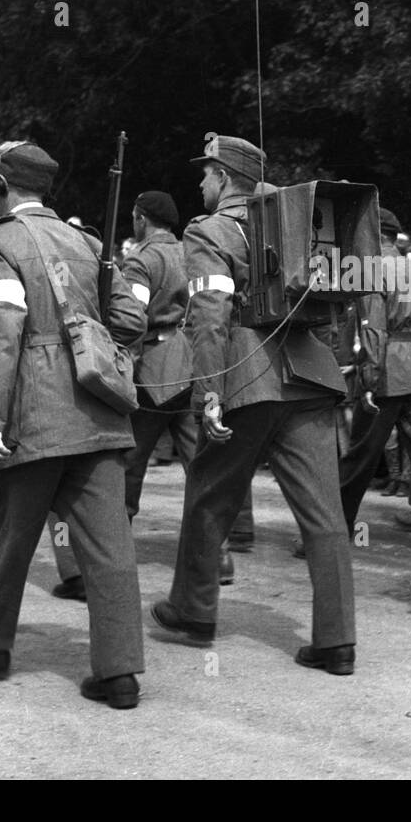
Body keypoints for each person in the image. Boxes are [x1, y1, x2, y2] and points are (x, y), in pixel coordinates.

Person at [0, 141, 149, 710]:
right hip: (99, 413)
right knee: (110, 546)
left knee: (3, 534)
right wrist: (90, 350)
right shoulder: (88, 241)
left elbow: (0, 328)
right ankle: (119, 674)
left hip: (34, 413)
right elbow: (129, 319)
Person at [150, 135, 356, 675]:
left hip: (247, 376)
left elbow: (210, 310)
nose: (200, 184)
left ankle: (194, 610)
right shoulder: (297, 221)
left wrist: (208, 391)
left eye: (205, 173)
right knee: (325, 514)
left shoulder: (210, 229)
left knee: (208, 494)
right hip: (311, 375)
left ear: (222, 176)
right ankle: (337, 641)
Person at [119, 189, 251, 580]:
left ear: (141, 219)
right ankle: (218, 553)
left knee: (130, 463)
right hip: (194, 360)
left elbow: (132, 317)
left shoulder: (141, 258)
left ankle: (116, 547)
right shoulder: (189, 250)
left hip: (153, 370)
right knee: (203, 464)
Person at [338, 208, 411, 556]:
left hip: (389, 367)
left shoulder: (371, 268)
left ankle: (333, 530)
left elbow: (373, 327)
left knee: (360, 453)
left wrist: (371, 375)